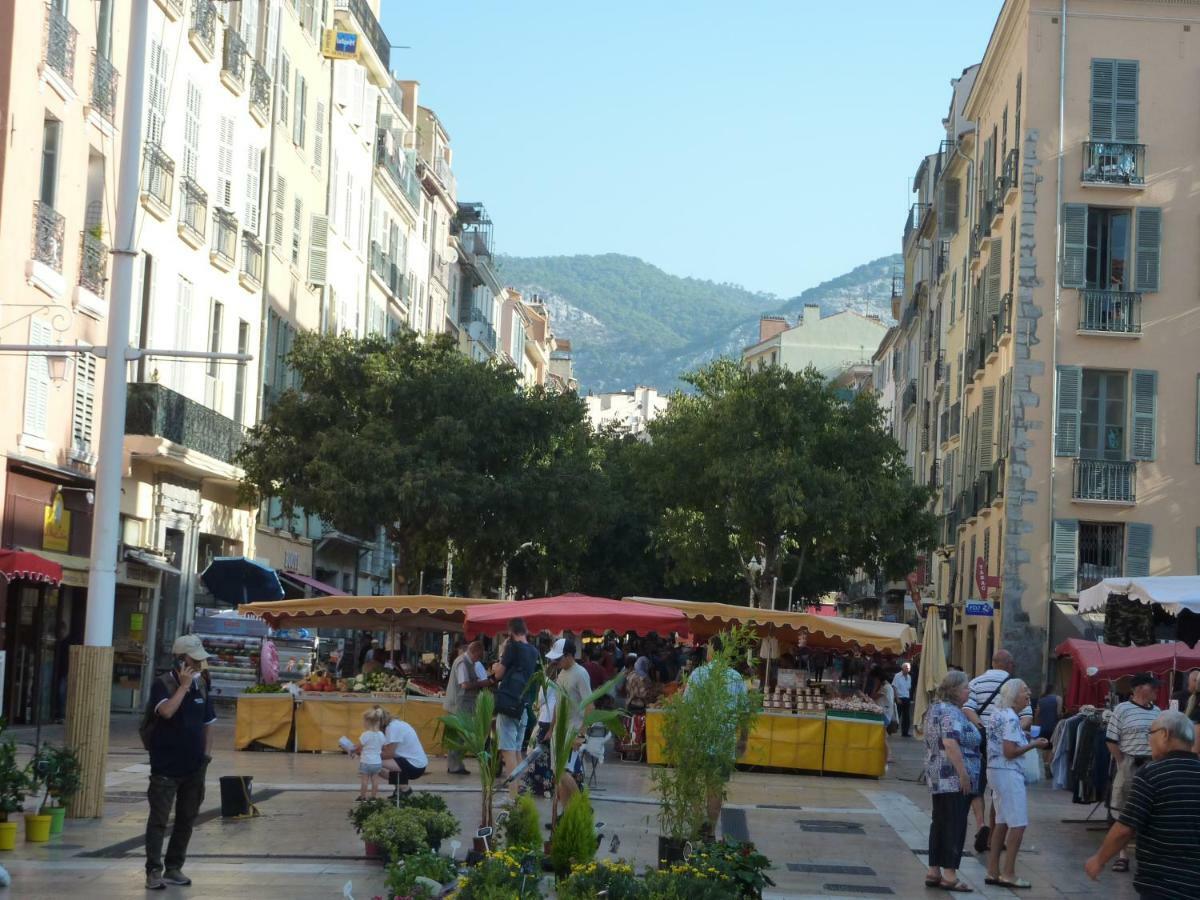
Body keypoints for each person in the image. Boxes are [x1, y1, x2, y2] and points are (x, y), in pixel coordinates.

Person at [1085, 711, 1200, 898]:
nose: (1148, 740)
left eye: (1150, 733)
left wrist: (1099, 859)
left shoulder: (1151, 774)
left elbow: (1125, 828)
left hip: (1162, 885)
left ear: (1165, 734)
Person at [144, 635, 217, 891]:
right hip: (165, 765)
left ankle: (174, 866)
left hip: (194, 765)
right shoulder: (162, 684)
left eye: (200, 659)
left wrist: (206, 756)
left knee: (187, 818)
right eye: (193, 659)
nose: (199, 664)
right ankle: (153, 870)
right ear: (180, 659)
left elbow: (209, 723)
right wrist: (183, 687)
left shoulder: (203, 684)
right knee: (159, 819)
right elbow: (166, 712)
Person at [962, 649, 1032, 853]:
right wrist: (1017, 729)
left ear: (992, 663)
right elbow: (1027, 715)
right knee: (997, 792)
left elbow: (968, 708)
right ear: (1010, 665)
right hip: (1006, 746)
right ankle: (994, 835)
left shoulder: (976, 682)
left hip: (981, 741)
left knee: (978, 786)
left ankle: (981, 824)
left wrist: (980, 727)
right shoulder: (1017, 686)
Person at [983, 679, 1048, 890]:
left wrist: (1023, 738)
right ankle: (1008, 873)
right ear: (1013, 696)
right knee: (1018, 824)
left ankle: (993, 870)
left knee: (1001, 822)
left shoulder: (996, 714)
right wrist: (1033, 744)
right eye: (1025, 693)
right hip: (1009, 772)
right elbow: (1009, 752)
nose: (1028, 696)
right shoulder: (1011, 718)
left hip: (995, 771)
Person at [922, 671, 981, 893]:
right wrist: (964, 774)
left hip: (938, 777)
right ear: (955, 690)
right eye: (966, 687)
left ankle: (934, 870)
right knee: (954, 825)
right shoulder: (951, 712)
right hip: (952, 777)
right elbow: (950, 743)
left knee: (939, 823)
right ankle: (950, 875)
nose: (969, 691)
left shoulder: (935, 708)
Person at [1105, 671, 1162, 874]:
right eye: (1152, 686)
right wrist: (1123, 763)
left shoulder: (1158, 712)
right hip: (1129, 762)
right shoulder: (1122, 709)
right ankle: (1122, 856)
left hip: (1152, 764)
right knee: (1124, 810)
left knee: (1152, 811)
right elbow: (1111, 740)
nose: (1156, 689)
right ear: (1139, 688)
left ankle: (1147, 854)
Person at [491, 618, 540, 795]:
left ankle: (513, 795)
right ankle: (521, 787)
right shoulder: (534, 651)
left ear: (511, 632)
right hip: (523, 705)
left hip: (508, 703)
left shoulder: (512, 648)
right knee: (518, 750)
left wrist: (498, 662)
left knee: (508, 751)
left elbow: (498, 674)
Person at [548, 638, 592, 807]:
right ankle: (565, 814)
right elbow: (558, 703)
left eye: (558, 659)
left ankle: (582, 808)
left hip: (572, 730)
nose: (555, 662)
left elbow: (589, 705)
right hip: (559, 731)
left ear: (568, 656)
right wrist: (551, 727)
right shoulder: (562, 673)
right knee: (557, 773)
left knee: (563, 773)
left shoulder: (580, 673)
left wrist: (581, 734)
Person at [443, 641, 490, 774]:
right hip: (459, 705)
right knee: (458, 736)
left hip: (464, 705)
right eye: (479, 656)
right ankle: (454, 766)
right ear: (474, 652)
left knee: (460, 736)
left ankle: (456, 764)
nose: (478, 659)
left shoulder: (468, 662)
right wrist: (481, 683)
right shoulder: (462, 663)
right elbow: (464, 685)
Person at [381, 710, 428, 795]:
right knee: (375, 764)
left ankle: (405, 789)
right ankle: (399, 789)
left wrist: (368, 755)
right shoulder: (396, 724)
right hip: (417, 763)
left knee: (374, 763)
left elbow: (389, 754)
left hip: (414, 766)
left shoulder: (392, 727)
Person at [354, 707, 387, 801]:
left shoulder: (365, 735)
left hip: (366, 762)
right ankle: (373, 797)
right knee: (375, 780)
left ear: (367, 722)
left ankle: (362, 797)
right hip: (377, 762)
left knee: (364, 780)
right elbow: (384, 747)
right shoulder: (381, 734)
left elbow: (358, 747)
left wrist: (353, 750)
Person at [1035, 682, 1061, 771]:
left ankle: (1045, 763)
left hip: (1043, 727)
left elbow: (1037, 714)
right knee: (1053, 747)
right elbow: (1058, 713)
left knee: (1044, 747)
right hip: (1054, 727)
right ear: (1054, 690)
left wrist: (1037, 724)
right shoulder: (1058, 699)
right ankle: (1048, 764)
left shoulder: (1041, 699)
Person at [892, 661, 913, 737]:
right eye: (906, 668)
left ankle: (905, 732)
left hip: (906, 698)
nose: (908, 669)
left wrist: (909, 697)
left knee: (906, 716)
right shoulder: (897, 676)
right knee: (897, 715)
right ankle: (892, 729)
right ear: (902, 668)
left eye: (909, 668)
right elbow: (894, 687)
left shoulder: (909, 677)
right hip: (900, 697)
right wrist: (896, 698)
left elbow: (909, 688)